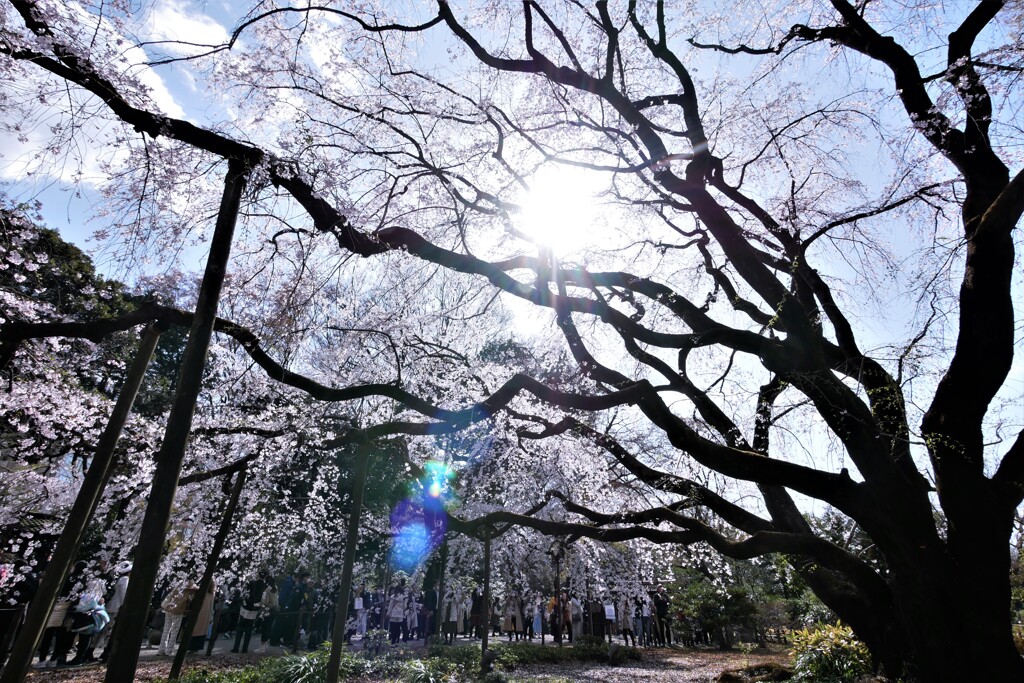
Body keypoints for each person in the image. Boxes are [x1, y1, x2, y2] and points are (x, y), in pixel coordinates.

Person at [94, 561, 130, 662]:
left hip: (110, 606)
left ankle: (93, 650)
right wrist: (125, 607)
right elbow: (123, 594)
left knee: (102, 630)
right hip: (116, 607)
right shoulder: (125, 580)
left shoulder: (117, 579)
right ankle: (106, 652)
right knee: (109, 631)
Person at [231, 573, 266, 654]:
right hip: (254, 609)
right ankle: (244, 648)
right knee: (248, 629)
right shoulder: (264, 586)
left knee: (240, 628)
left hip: (245, 608)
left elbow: (244, 594)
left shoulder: (251, 583)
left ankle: (236, 648)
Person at [158, 582, 196, 657]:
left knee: (166, 630)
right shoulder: (191, 586)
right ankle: (169, 651)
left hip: (169, 608)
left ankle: (161, 650)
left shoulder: (179, 583)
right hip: (178, 610)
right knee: (174, 631)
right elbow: (192, 595)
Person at [258, 574, 278, 652]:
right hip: (274, 609)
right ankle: (265, 646)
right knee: (269, 627)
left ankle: (262, 648)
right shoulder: (275, 588)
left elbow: (265, 602)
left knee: (264, 628)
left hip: (267, 609)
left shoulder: (267, 589)